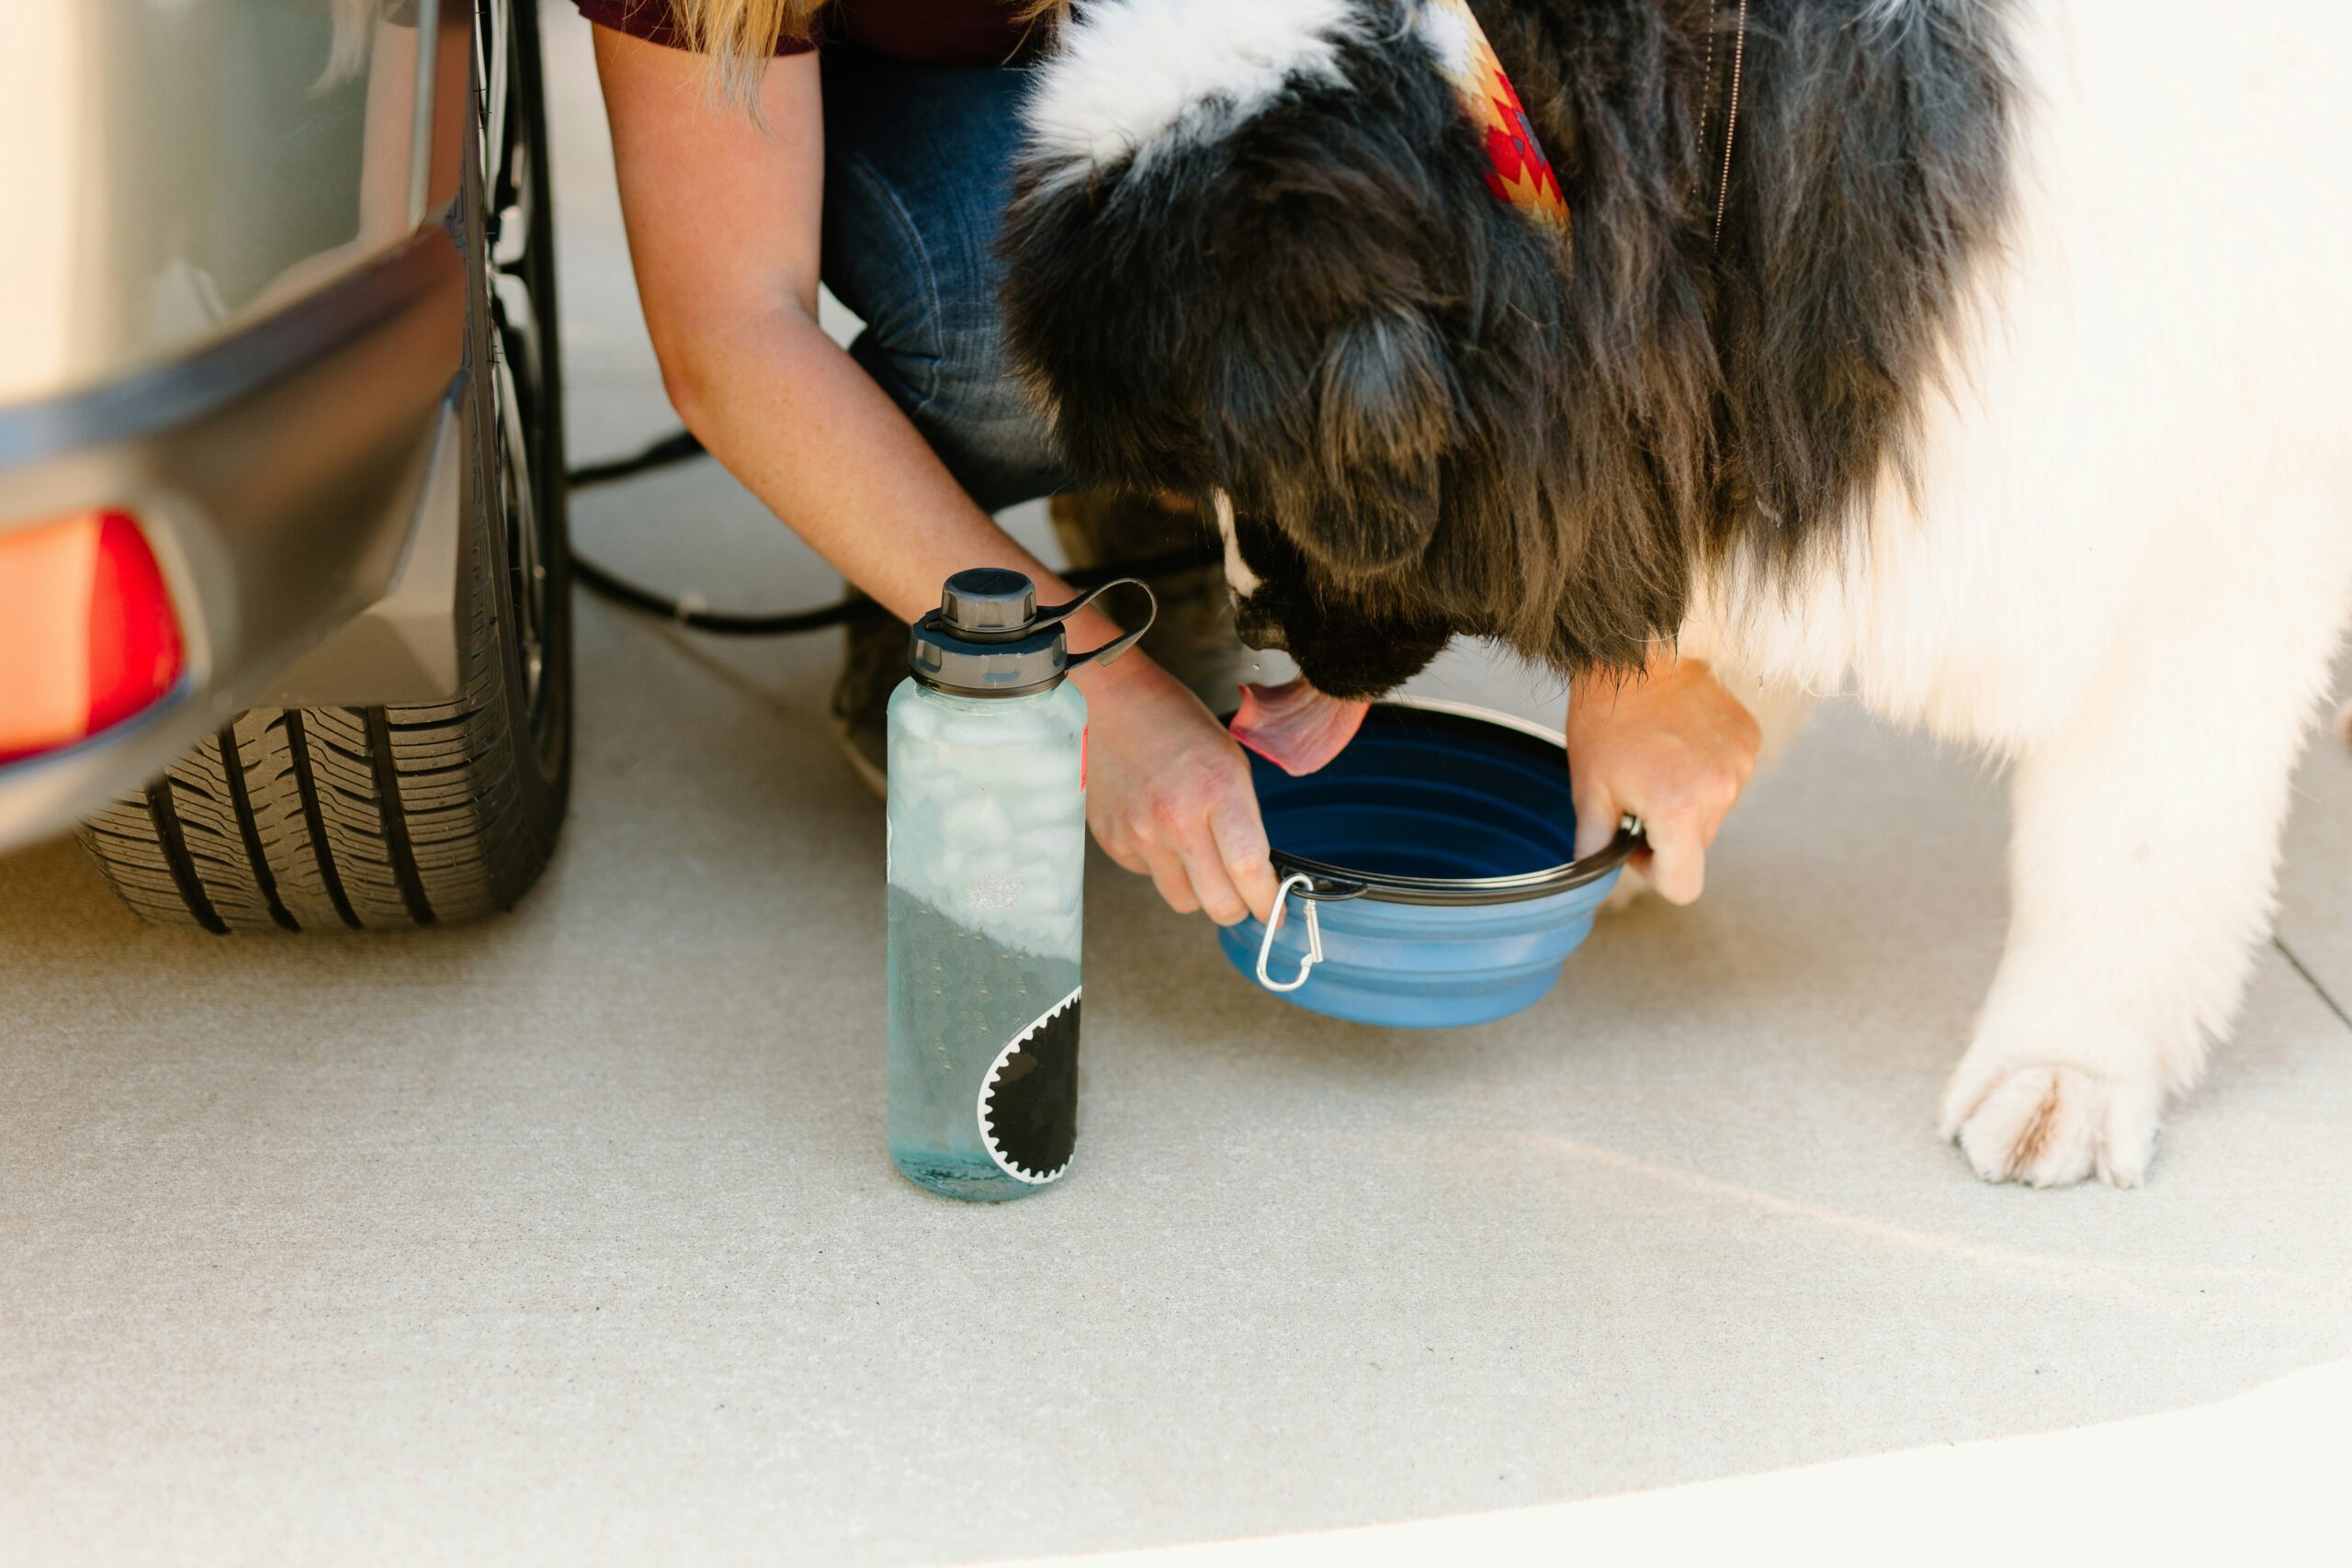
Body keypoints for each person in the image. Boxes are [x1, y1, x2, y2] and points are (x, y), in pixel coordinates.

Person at [578, 0, 1759, 924]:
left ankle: (1168, 509)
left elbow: (1490, 78)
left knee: (1309, 219)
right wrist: (1089, 691)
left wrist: (1635, 643)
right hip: (898, 98)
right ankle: (952, 577)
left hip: (1185, 62)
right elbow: (732, 333)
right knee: (1006, 334)